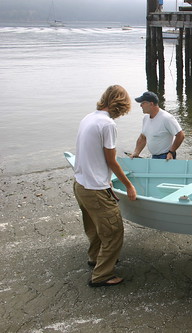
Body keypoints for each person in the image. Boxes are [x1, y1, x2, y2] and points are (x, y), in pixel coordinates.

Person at [73, 85, 137, 287]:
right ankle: (102, 275)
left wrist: (104, 177)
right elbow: (112, 160)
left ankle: (95, 258)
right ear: (121, 105)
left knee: (94, 228)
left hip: (80, 184)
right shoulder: (107, 125)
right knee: (113, 231)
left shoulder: (88, 118)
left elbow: (92, 155)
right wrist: (129, 185)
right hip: (95, 190)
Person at [130, 91, 185, 159]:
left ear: (151, 104)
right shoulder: (146, 118)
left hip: (166, 156)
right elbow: (143, 137)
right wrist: (136, 152)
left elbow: (180, 135)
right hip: (154, 156)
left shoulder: (167, 118)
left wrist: (171, 152)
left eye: (143, 103)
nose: (140, 105)